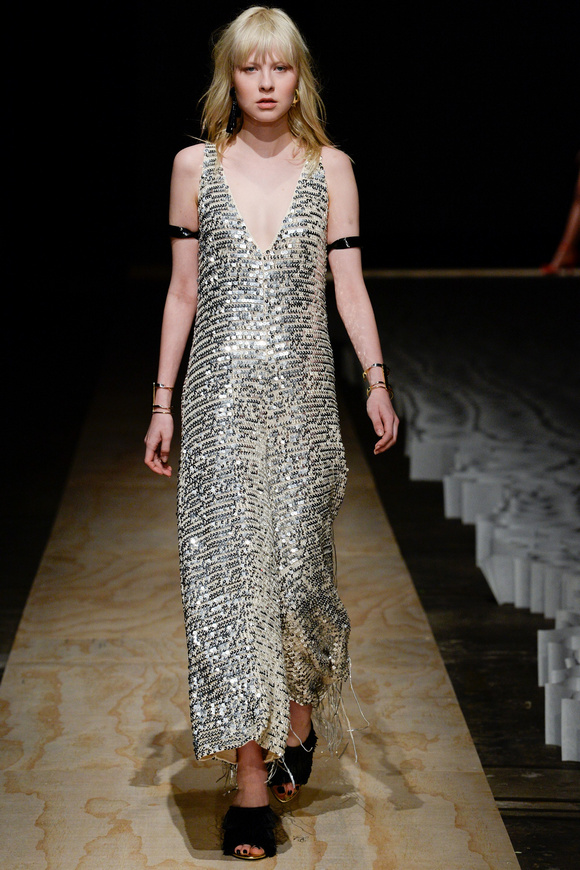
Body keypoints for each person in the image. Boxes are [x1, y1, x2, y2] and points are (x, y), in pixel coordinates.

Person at [144, 5, 398, 860]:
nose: (264, 82)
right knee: (228, 591)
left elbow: (349, 288)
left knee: (300, 579)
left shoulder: (333, 170)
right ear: (230, 75)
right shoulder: (193, 167)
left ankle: (299, 721)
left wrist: (376, 380)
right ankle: (250, 785)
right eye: (249, 66)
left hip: (304, 405)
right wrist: (162, 402)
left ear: (298, 77)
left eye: (279, 67)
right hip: (217, 404)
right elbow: (183, 291)